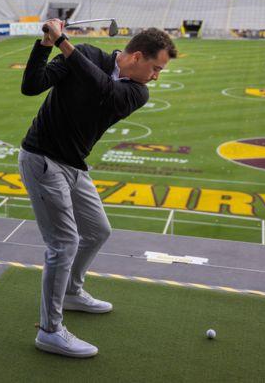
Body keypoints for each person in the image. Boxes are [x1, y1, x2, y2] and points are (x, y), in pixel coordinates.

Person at [18, 19, 177, 358]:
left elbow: (103, 89)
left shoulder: (137, 92)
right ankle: (49, 331)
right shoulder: (88, 53)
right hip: (42, 159)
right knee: (63, 243)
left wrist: (64, 42)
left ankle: (73, 292)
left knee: (98, 231)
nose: (156, 76)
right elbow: (32, 86)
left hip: (74, 164)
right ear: (136, 56)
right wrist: (46, 45)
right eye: (155, 68)